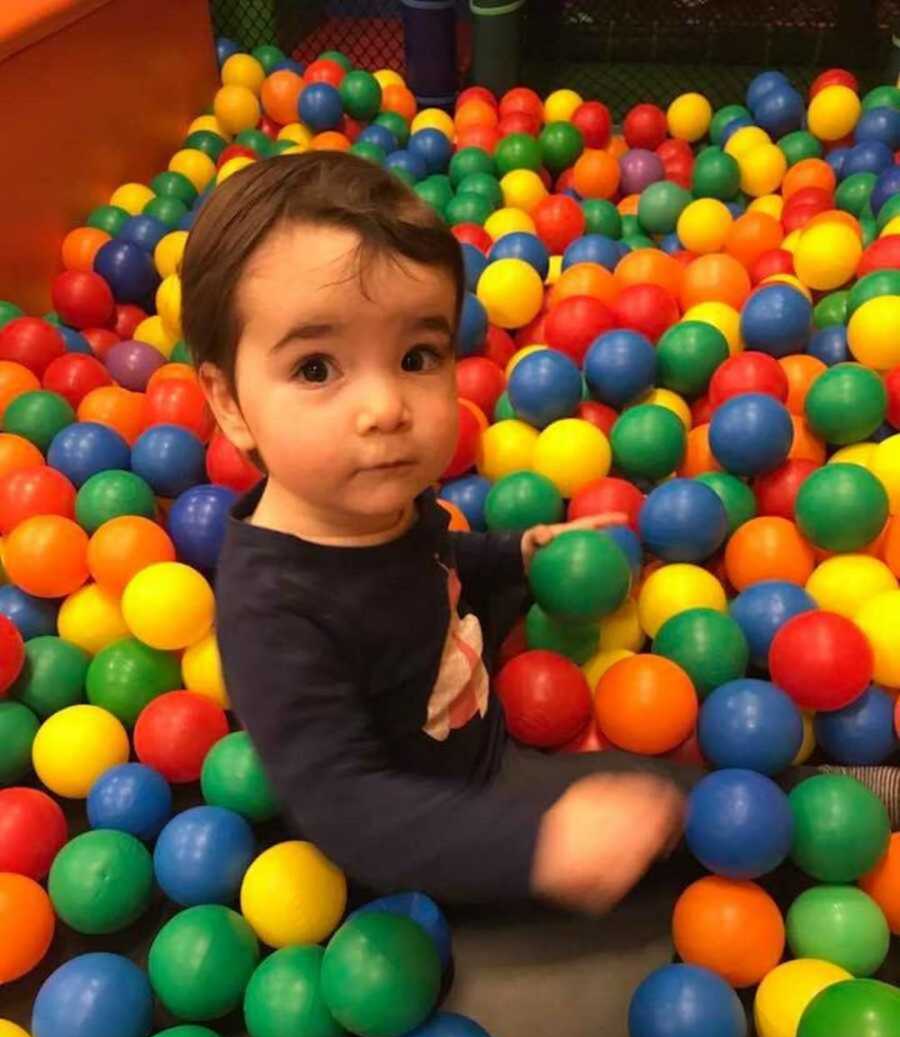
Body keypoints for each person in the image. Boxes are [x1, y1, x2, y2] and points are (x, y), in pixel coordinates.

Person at [181, 151, 895, 914]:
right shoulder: (269, 609)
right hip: (446, 814)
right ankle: (835, 801)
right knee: (701, 812)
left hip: (499, 715)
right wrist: (541, 846)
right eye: (318, 369)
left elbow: (429, 564)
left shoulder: (372, 500)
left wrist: (511, 555)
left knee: (714, 731)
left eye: (416, 357)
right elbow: (347, 810)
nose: (386, 406)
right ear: (227, 404)